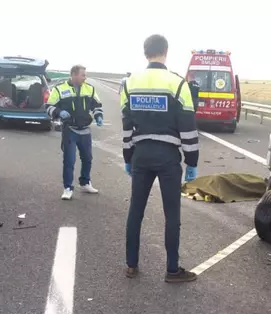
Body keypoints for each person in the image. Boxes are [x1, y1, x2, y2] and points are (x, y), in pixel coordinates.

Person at [120, 34, 199, 283]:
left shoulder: (129, 83)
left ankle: (131, 265)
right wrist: (192, 161)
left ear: (145, 53)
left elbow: (126, 126)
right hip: (167, 157)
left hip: (141, 154)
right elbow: (188, 126)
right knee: (171, 214)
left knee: (136, 211)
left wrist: (127, 156)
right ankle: (172, 270)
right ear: (165, 51)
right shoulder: (177, 84)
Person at [46, 64, 104, 200]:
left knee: (87, 159)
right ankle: (67, 188)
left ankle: (85, 183)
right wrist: (59, 112)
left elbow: (97, 106)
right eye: (83, 75)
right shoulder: (59, 89)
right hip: (69, 130)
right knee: (69, 161)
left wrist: (98, 116)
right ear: (73, 75)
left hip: (85, 131)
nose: (85, 77)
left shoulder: (90, 89)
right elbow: (48, 107)